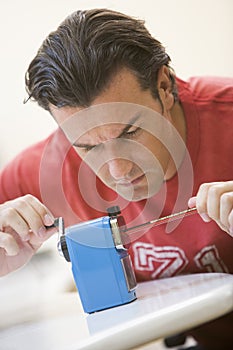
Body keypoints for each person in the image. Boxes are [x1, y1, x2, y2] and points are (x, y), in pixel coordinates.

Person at [0, 8, 232, 349]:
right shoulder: (47, 168)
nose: (117, 172)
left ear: (164, 87)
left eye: (131, 132)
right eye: (87, 147)